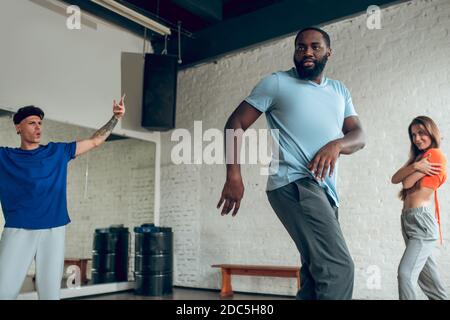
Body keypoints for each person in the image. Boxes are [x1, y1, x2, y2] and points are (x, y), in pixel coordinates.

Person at [217, 27, 365, 300]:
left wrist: (336, 145)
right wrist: (234, 176)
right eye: (300, 47)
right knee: (339, 268)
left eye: (315, 46)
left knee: (315, 273)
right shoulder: (276, 83)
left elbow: (358, 136)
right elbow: (235, 123)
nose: (307, 52)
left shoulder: (339, 91)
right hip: (295, 183)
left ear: (328, 52)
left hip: (325, 192)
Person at [0, 95, 126, 300]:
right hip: (18, 229)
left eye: (40, 123)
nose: (38, 127)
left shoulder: (57, 152)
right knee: (3, 291)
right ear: (18, 127)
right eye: (32, 123)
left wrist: (115, 118)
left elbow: (95, 141)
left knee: (50, 294)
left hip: (54, 229)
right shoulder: (5, 157)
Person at [391, 116, 447, 300]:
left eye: (421, 133)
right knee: (431, 284)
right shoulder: (419, 159)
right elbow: (394, 178)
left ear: (431, 132)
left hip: (421, 221)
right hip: (410, 220)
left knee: (405, 273)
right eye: (413, 135)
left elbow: (406, 182)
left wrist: (414, 170)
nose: (417, 138)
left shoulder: (435, 155)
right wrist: (416, 165)